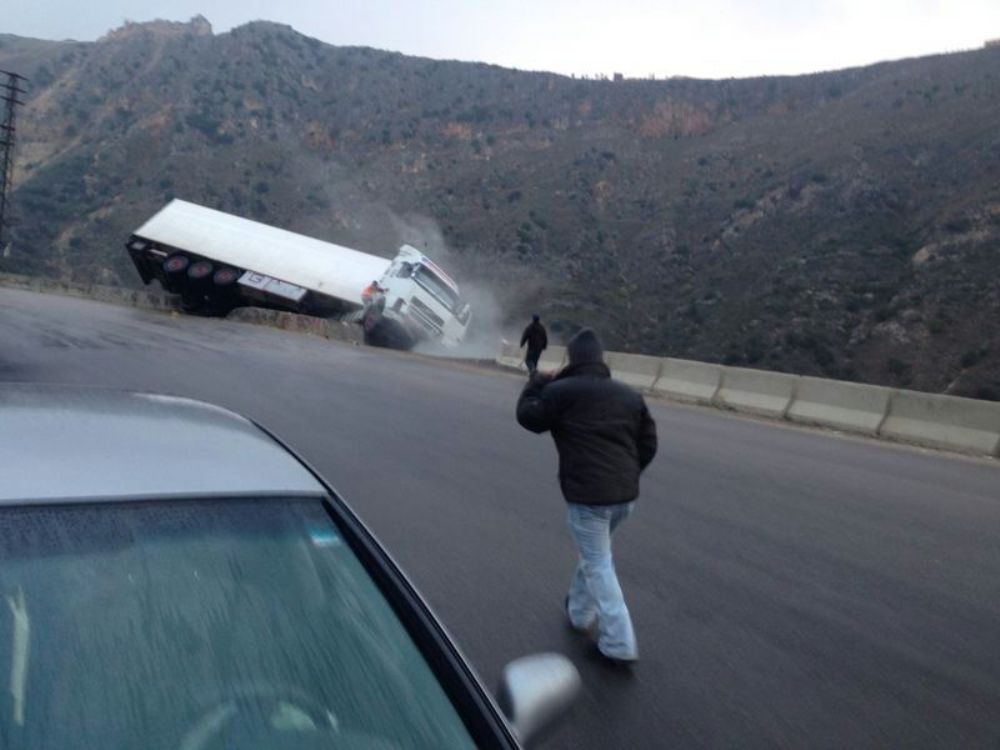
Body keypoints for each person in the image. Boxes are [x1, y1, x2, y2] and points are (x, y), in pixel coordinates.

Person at [516, 328, 657, 664]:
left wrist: (535, 381)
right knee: (596, 554)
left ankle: (619, 644)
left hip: (589, 497)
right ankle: (580, 612)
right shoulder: (629, 396)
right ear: (600, 359)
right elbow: (648, 443)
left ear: (572, 358)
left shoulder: (562, 392)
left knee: (597, 562)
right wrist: (628, 475)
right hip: (625, 497)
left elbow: (528, 417)